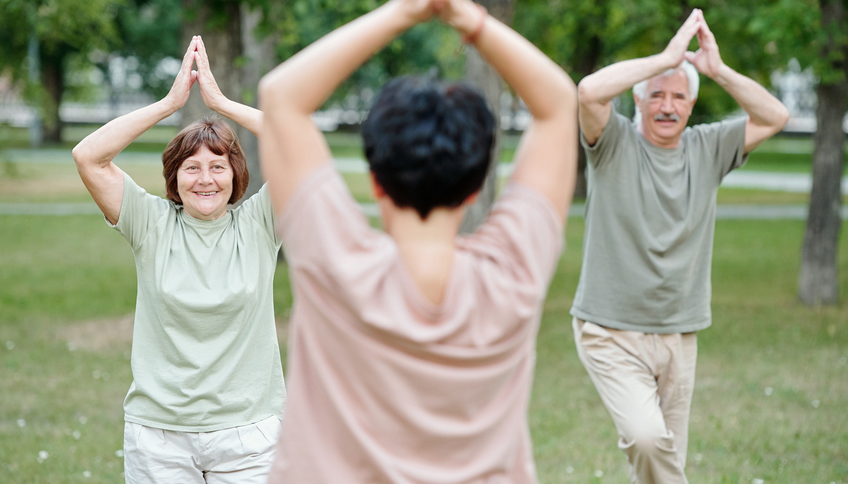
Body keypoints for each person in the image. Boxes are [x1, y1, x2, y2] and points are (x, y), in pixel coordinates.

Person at [255, 0, 577, 481]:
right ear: (474, 188)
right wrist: (469, 17)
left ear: (376, 181)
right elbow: (558, 104)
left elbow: (280, 96)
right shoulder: (514, 276)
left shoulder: (336, 265)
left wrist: (406, 10)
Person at [571, 9, 790, 484]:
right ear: (639, 98)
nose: (667, 106)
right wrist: (665, 59)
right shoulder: (612, 143)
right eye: (657, 95)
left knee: (659, 464)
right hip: (609, 331)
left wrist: (718, 71)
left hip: (678, 334)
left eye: (679, 96)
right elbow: (588, 91)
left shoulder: (708, 149)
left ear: (691, 103)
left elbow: (776, 115)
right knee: (649, 442)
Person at [71, 36, 285, 483]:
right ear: (174, 176)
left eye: (218, 166)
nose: (205, 179)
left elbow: (300, 142)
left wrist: (221, 103)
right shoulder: (150, 223)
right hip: (159, 438)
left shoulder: (261, 223)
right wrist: (169, 105)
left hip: (250, 435)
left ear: (236, 174)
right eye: (191, 167)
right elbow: (89, 156)